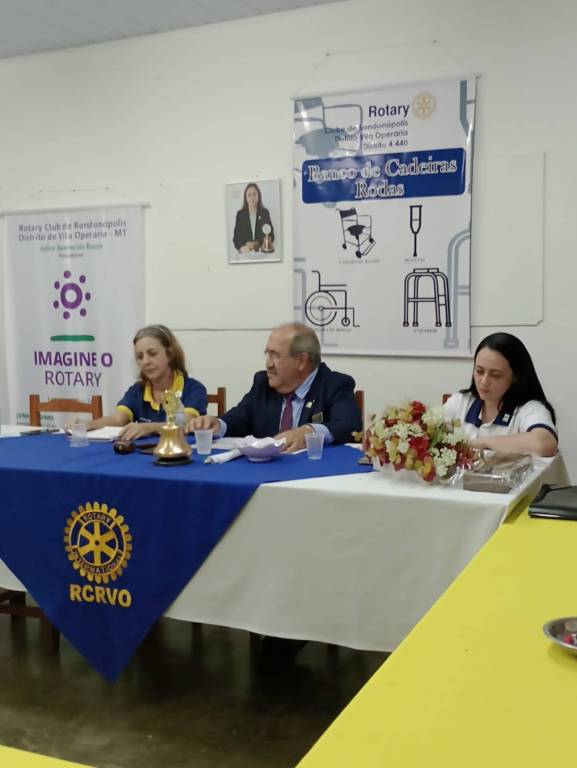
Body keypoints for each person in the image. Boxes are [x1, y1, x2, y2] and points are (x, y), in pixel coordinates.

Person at [188, 322, 361, 451]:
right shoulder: (263, 383)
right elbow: (239, 419)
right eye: (267, 354)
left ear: (301, 361)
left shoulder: (334, 385)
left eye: (276, 356)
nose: (268, 364)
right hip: (265, 474)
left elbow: (350, 426)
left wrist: (309, 431)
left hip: (314, 477)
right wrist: (218, 424)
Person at [74, 324, 207, 441]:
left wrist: (149, 428)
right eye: (140, 357)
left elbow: (185, 423)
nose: (145, 362)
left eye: (152, 353)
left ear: (170, 355)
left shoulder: (193, 389)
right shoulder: (137, 390)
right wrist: (88, 424)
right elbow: (117, 419)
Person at [443, 332, 557, 456]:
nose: (484, 381)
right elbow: (429, 433)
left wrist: (484, 443)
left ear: (516, 376)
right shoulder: (460, 402)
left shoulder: (530, 409)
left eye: (495, 375)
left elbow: (544, 444)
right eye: (479, 371)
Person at [232, 182, 274, 253]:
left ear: (258, 196)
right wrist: (242, 247)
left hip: (261, 253)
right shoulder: (240, 214)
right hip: (245, 253)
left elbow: (271, 236)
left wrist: (256, 244)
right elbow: (236, 239)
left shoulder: (264, 213)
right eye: (249, 195)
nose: (252, 198)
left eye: (254, 194)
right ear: (245, 197)